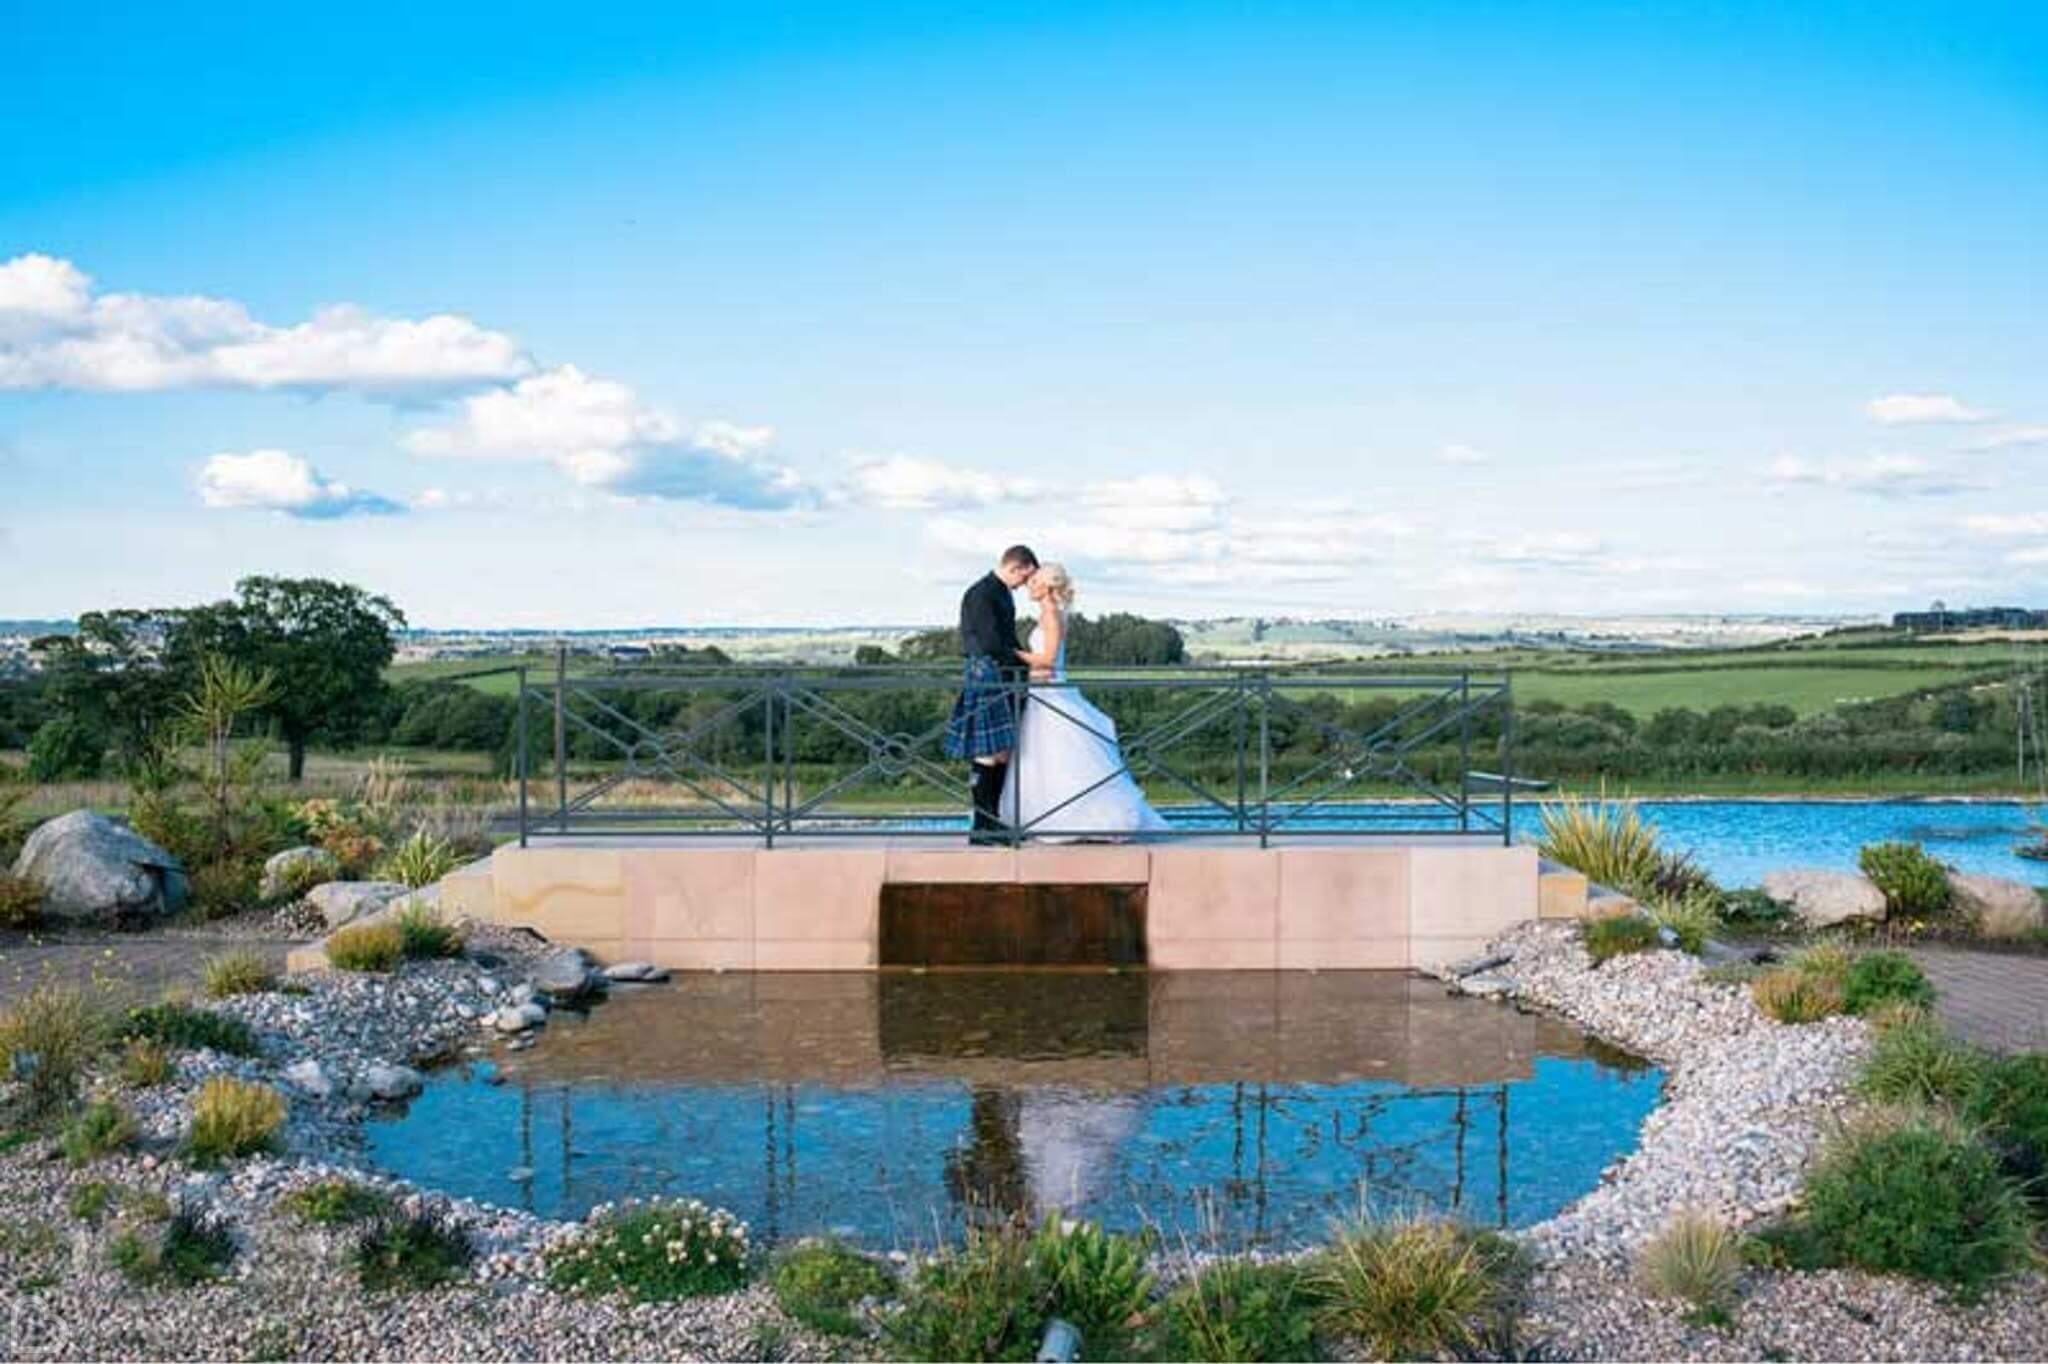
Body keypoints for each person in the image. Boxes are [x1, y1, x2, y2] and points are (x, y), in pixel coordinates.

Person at [1003, 563, 1168, 840]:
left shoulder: (1052, 615)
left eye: (1035, 582)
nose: (1029, 586)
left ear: (1047, 587)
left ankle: (1073, 817)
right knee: (1043, 758)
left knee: (1061, 755)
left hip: (1051, 693)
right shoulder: (1047, 614)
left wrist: (1012, 653)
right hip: (1040, 691)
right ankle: (1045, 814)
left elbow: (1049, 660)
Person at [944, 544, 1037, 844]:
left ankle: (991, 824)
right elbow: (992, 642)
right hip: (988, 674)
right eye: (1026, 577)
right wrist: (1026, 663)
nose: (1025, 584)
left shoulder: (999, 592)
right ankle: (982, 827)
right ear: (1017, 567)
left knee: (1000, 752)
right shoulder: (981, 593)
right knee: (987, 754)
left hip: (1001, 675)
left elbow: (1003, 640)